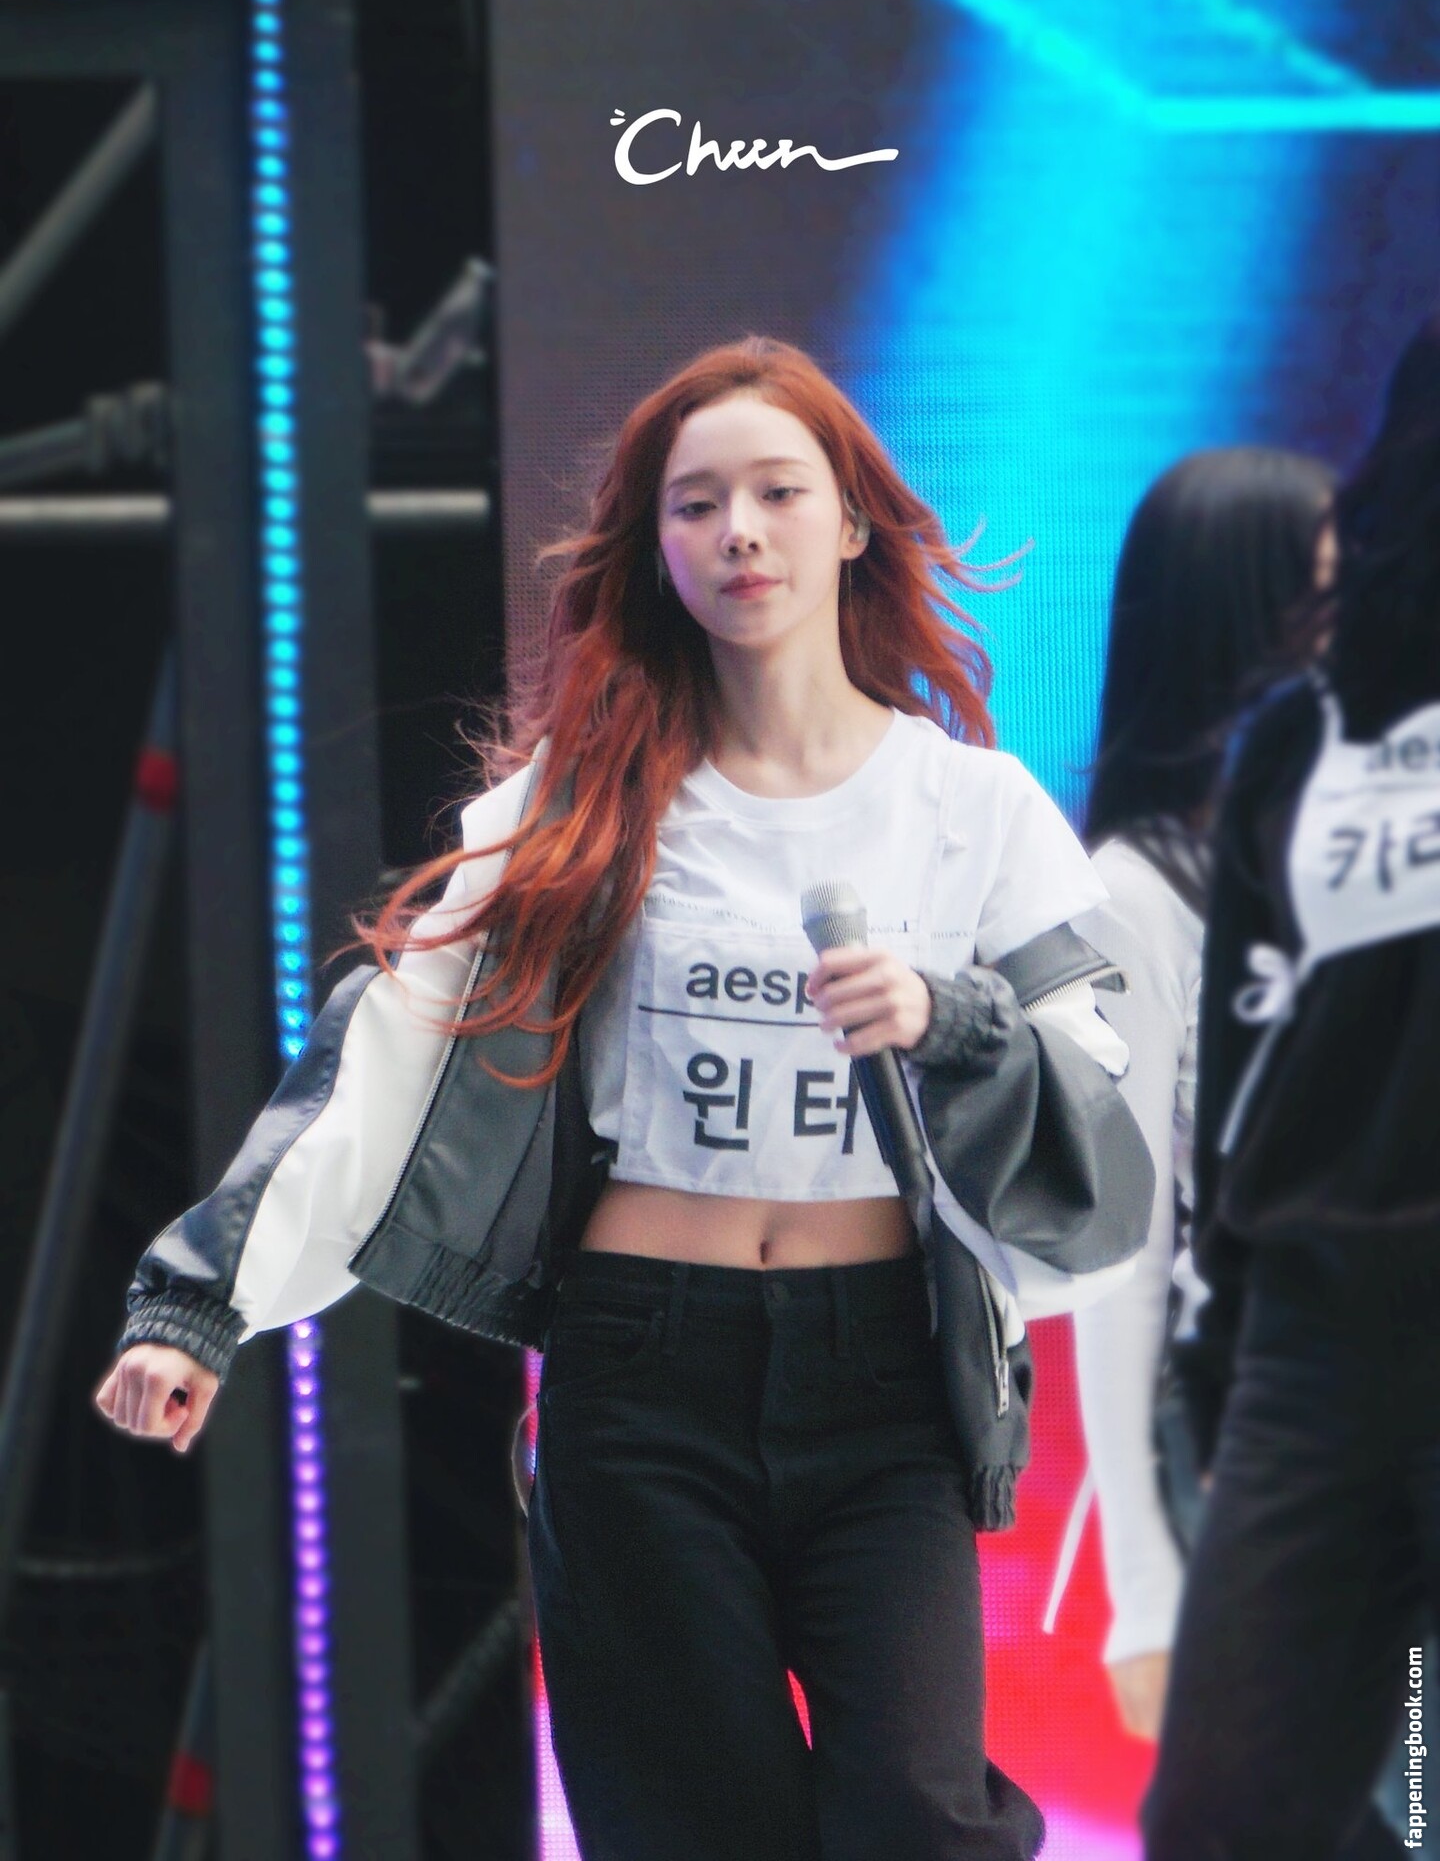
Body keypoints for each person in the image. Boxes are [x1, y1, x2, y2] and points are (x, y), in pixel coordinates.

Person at [95, 337, 1151, 1861]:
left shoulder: (973, 810)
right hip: (643, 1370)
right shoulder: (580, 805)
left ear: (852, 520)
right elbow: (382, 1050)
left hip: (884, 1381)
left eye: (779, 493)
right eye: (696, 505)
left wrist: (951, 1020)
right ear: (655, 550)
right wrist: (197, 1306)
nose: (740, 533)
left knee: (918, 1818)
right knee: (692, 1829)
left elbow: (1098, 1107)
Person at [1141, 312, 1440, 1859]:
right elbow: (1246, 1063)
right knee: (1221, 1821)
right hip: (1318, 1347)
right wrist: (1226, 1339)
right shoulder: (1300, 735)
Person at [1070, 447, 1336, 1741]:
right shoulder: (1136, 896)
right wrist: (1144, 1592)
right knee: (1400, 1798)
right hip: (1259, 1427)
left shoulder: (1362, 857)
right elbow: (1122, 1248)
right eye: (1330, 584)